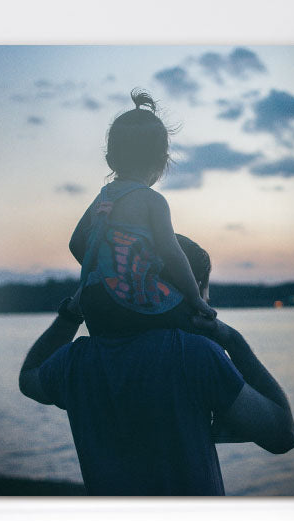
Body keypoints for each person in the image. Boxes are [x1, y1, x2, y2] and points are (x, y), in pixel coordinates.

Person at [19, 235, 294, 495]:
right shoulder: (195, 356)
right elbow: (283, 435)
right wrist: (232, 340)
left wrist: (71, 312)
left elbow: (29, 377)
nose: (208, 304)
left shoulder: (76, 362)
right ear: (190, 294)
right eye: (204, 295)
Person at [69, 90, 216, 337]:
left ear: (110, 160)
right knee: (198, 326)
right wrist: (194, 297)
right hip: (133, 299)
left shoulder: (103, 198)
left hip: (94, 302)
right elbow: (172, 253)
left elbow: (76, 244)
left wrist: (107, 269)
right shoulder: (153, 201)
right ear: (162, 161)